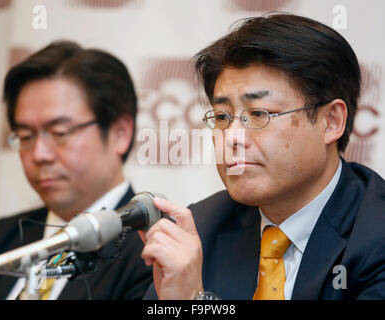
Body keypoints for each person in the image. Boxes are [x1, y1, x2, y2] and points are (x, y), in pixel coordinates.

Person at [140, 13, 385, 300]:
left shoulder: (375, 235)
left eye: (259, 114)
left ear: (331, 121)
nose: (232, 137)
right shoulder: (203, 227)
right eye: (222, 116)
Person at [0, 40, 152, 299]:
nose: (39, 155)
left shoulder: (152, 254)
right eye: (25, 136)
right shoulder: (4, 239)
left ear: (119, 133)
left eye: (60, 133)